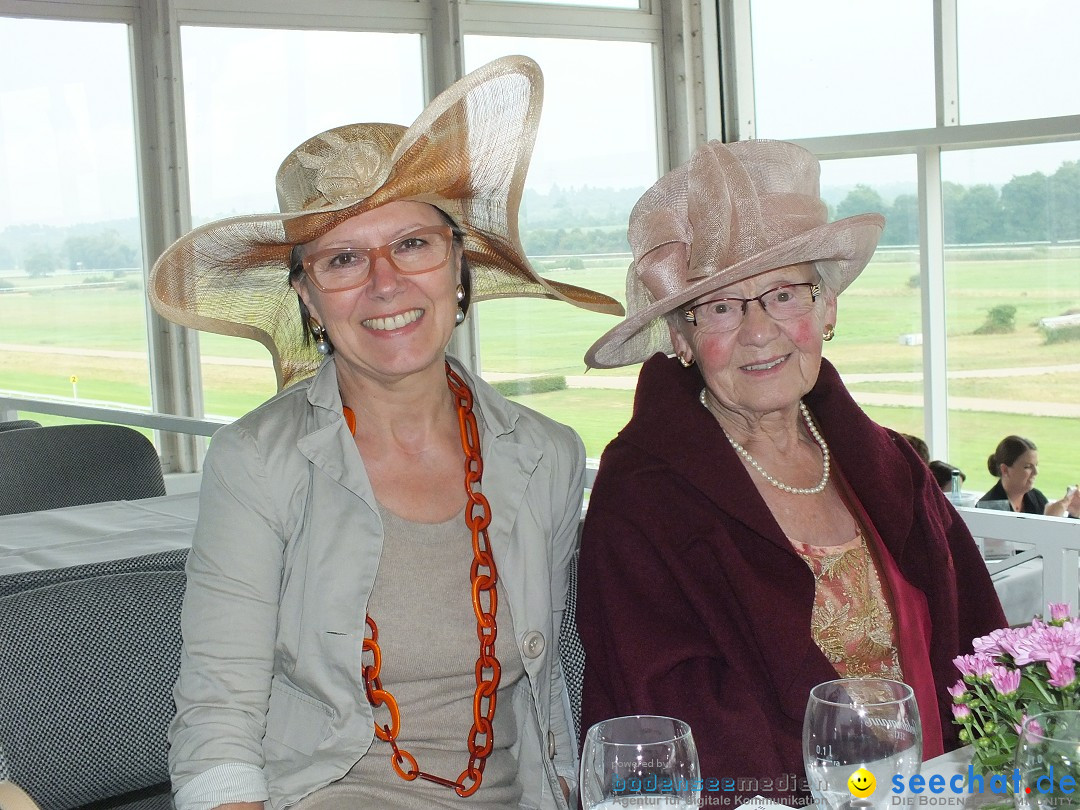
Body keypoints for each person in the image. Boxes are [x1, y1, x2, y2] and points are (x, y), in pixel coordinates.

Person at [148, 56, 623, 810]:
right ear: (307, 297)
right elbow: (218, 714)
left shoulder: (549, 456)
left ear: (457, 266)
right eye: (342, 258)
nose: (385, 283)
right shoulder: (255, 463)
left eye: (412, 244)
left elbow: (553, 677)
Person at [576, 140, 1007, 804]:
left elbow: (982, 650)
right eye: (721, 307)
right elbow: (672, 713)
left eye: (784, 295)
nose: (758, 331)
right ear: (682, 339)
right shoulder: (644, 497)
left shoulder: (893, 468)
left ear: (825, 309)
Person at [977, 435, 1080, 517]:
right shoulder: (988, 508)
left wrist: (1075, 514)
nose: (1036, 472)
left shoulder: (1037, 497)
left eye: (1036, 465)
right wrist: (1049, 520)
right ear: (1005, 470)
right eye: (1027, 467)